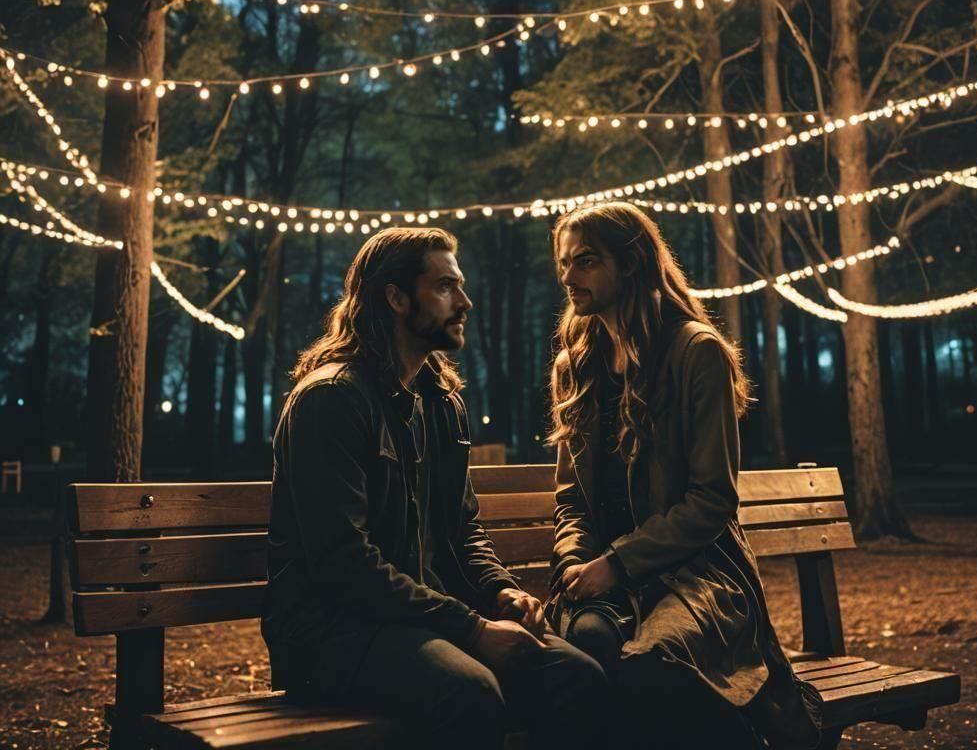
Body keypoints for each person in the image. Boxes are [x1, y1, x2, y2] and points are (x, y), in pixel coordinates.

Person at [262, 226, 605, 750]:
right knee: (469, 692)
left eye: (460, 286)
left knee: (577, 676)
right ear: (396, 298)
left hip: (421, 620)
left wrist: (500, 592)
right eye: (445, 287)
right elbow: (343, 564)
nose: (465, 302)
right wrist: (471, 629)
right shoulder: (331, 400)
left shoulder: (441, 402)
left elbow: (463, 531)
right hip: (328, 632)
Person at [546, 203, 823, 749]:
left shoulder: (697, 352)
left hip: (698, 574)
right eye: (563, 263)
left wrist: (619, 563)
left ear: (630, 264)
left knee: (653, 663)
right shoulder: (576, 366)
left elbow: (711, 500)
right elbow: (571, 499)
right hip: (605, 578)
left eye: (586, 261)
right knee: (590, 647)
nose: (568, 276)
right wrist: (577, 562)